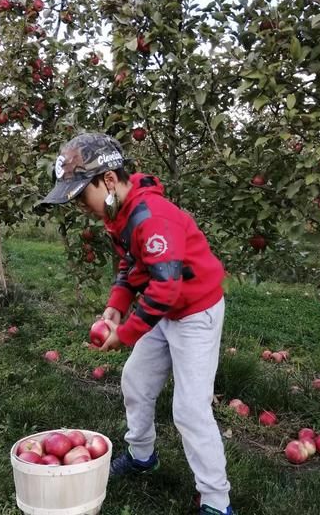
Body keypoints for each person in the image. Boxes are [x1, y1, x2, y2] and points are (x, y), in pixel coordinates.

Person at [38, 132, 233, 515]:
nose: (80, 207)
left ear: (108, 181)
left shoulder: (152, 218)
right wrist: (115, 307)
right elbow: (133, 265)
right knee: (136, 381)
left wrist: (125, 333)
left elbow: (165, 287)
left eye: (81, 196)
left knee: (190, 410)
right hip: (166, 309)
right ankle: (143, 456)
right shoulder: (120, 214)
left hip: (194, 312)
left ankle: (216, 500)